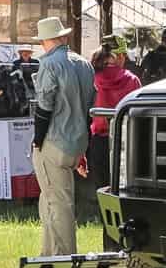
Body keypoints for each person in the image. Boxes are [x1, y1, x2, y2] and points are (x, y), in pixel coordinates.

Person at [31, 17, 95, 255]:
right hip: (77, 143)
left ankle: (63, 259)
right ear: (64, 37)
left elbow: (44, 106)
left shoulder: (49, 64)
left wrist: (38, 140)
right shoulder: (84, 64)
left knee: (58, 204)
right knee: (50, 200)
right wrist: (82, 150)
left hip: (54, 141)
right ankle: (47, 255)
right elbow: (89, 108)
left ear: (48, 41)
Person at [85, 35, 142, 216]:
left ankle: (107, 239)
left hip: (99, 143)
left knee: (103, 194)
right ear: (119, 56)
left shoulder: (92, 78)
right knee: (125, 195)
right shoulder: (132, 80)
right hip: (126, 144)